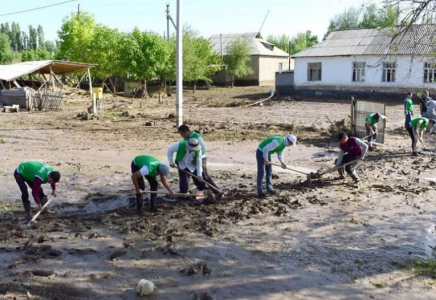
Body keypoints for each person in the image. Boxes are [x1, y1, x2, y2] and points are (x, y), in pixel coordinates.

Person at [177, 125, 220, 194]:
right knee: (194, 174)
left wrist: (197, 155)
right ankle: (198, 189)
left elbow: (204, 148)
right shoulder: (188, 137)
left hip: (200, 158)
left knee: (204, 176)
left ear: (186, 131)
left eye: (182, 134)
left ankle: (217, 191)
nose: (182, 136)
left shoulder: (197, 137)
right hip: (192, 159)